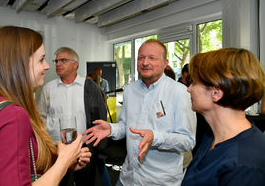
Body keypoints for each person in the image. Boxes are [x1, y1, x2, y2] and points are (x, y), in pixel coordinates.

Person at [0, 26, 91, 186]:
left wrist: (67, 161)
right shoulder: (12, 115)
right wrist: (64, 161)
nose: (47, 66)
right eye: (41, 59)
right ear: (18, 64)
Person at [83, 39, 196, 186]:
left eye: (152, 58)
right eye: (141, 57)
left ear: (165, 62)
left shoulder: (180, 93)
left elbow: (188, 141)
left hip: (159, 181)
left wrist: (155, 137)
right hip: (128, 177)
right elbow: (126, 126)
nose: (145, 62)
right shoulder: (130, 90)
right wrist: (111, 128)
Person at [182, 48, 265, 185]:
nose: (188, 89)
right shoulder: (213, 136)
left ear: (216, 92)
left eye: (194, 82)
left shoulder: (244, 163)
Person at [36, 47, 109, 186]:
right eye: (56, 61)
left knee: (85, 183)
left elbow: (100, 119)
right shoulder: (48, 88)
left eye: (63, 60)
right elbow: (40, 118)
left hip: (83, 150)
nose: (58, 64)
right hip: (55, 150)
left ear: (75, 64)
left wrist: (98, 151)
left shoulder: (89, 87)